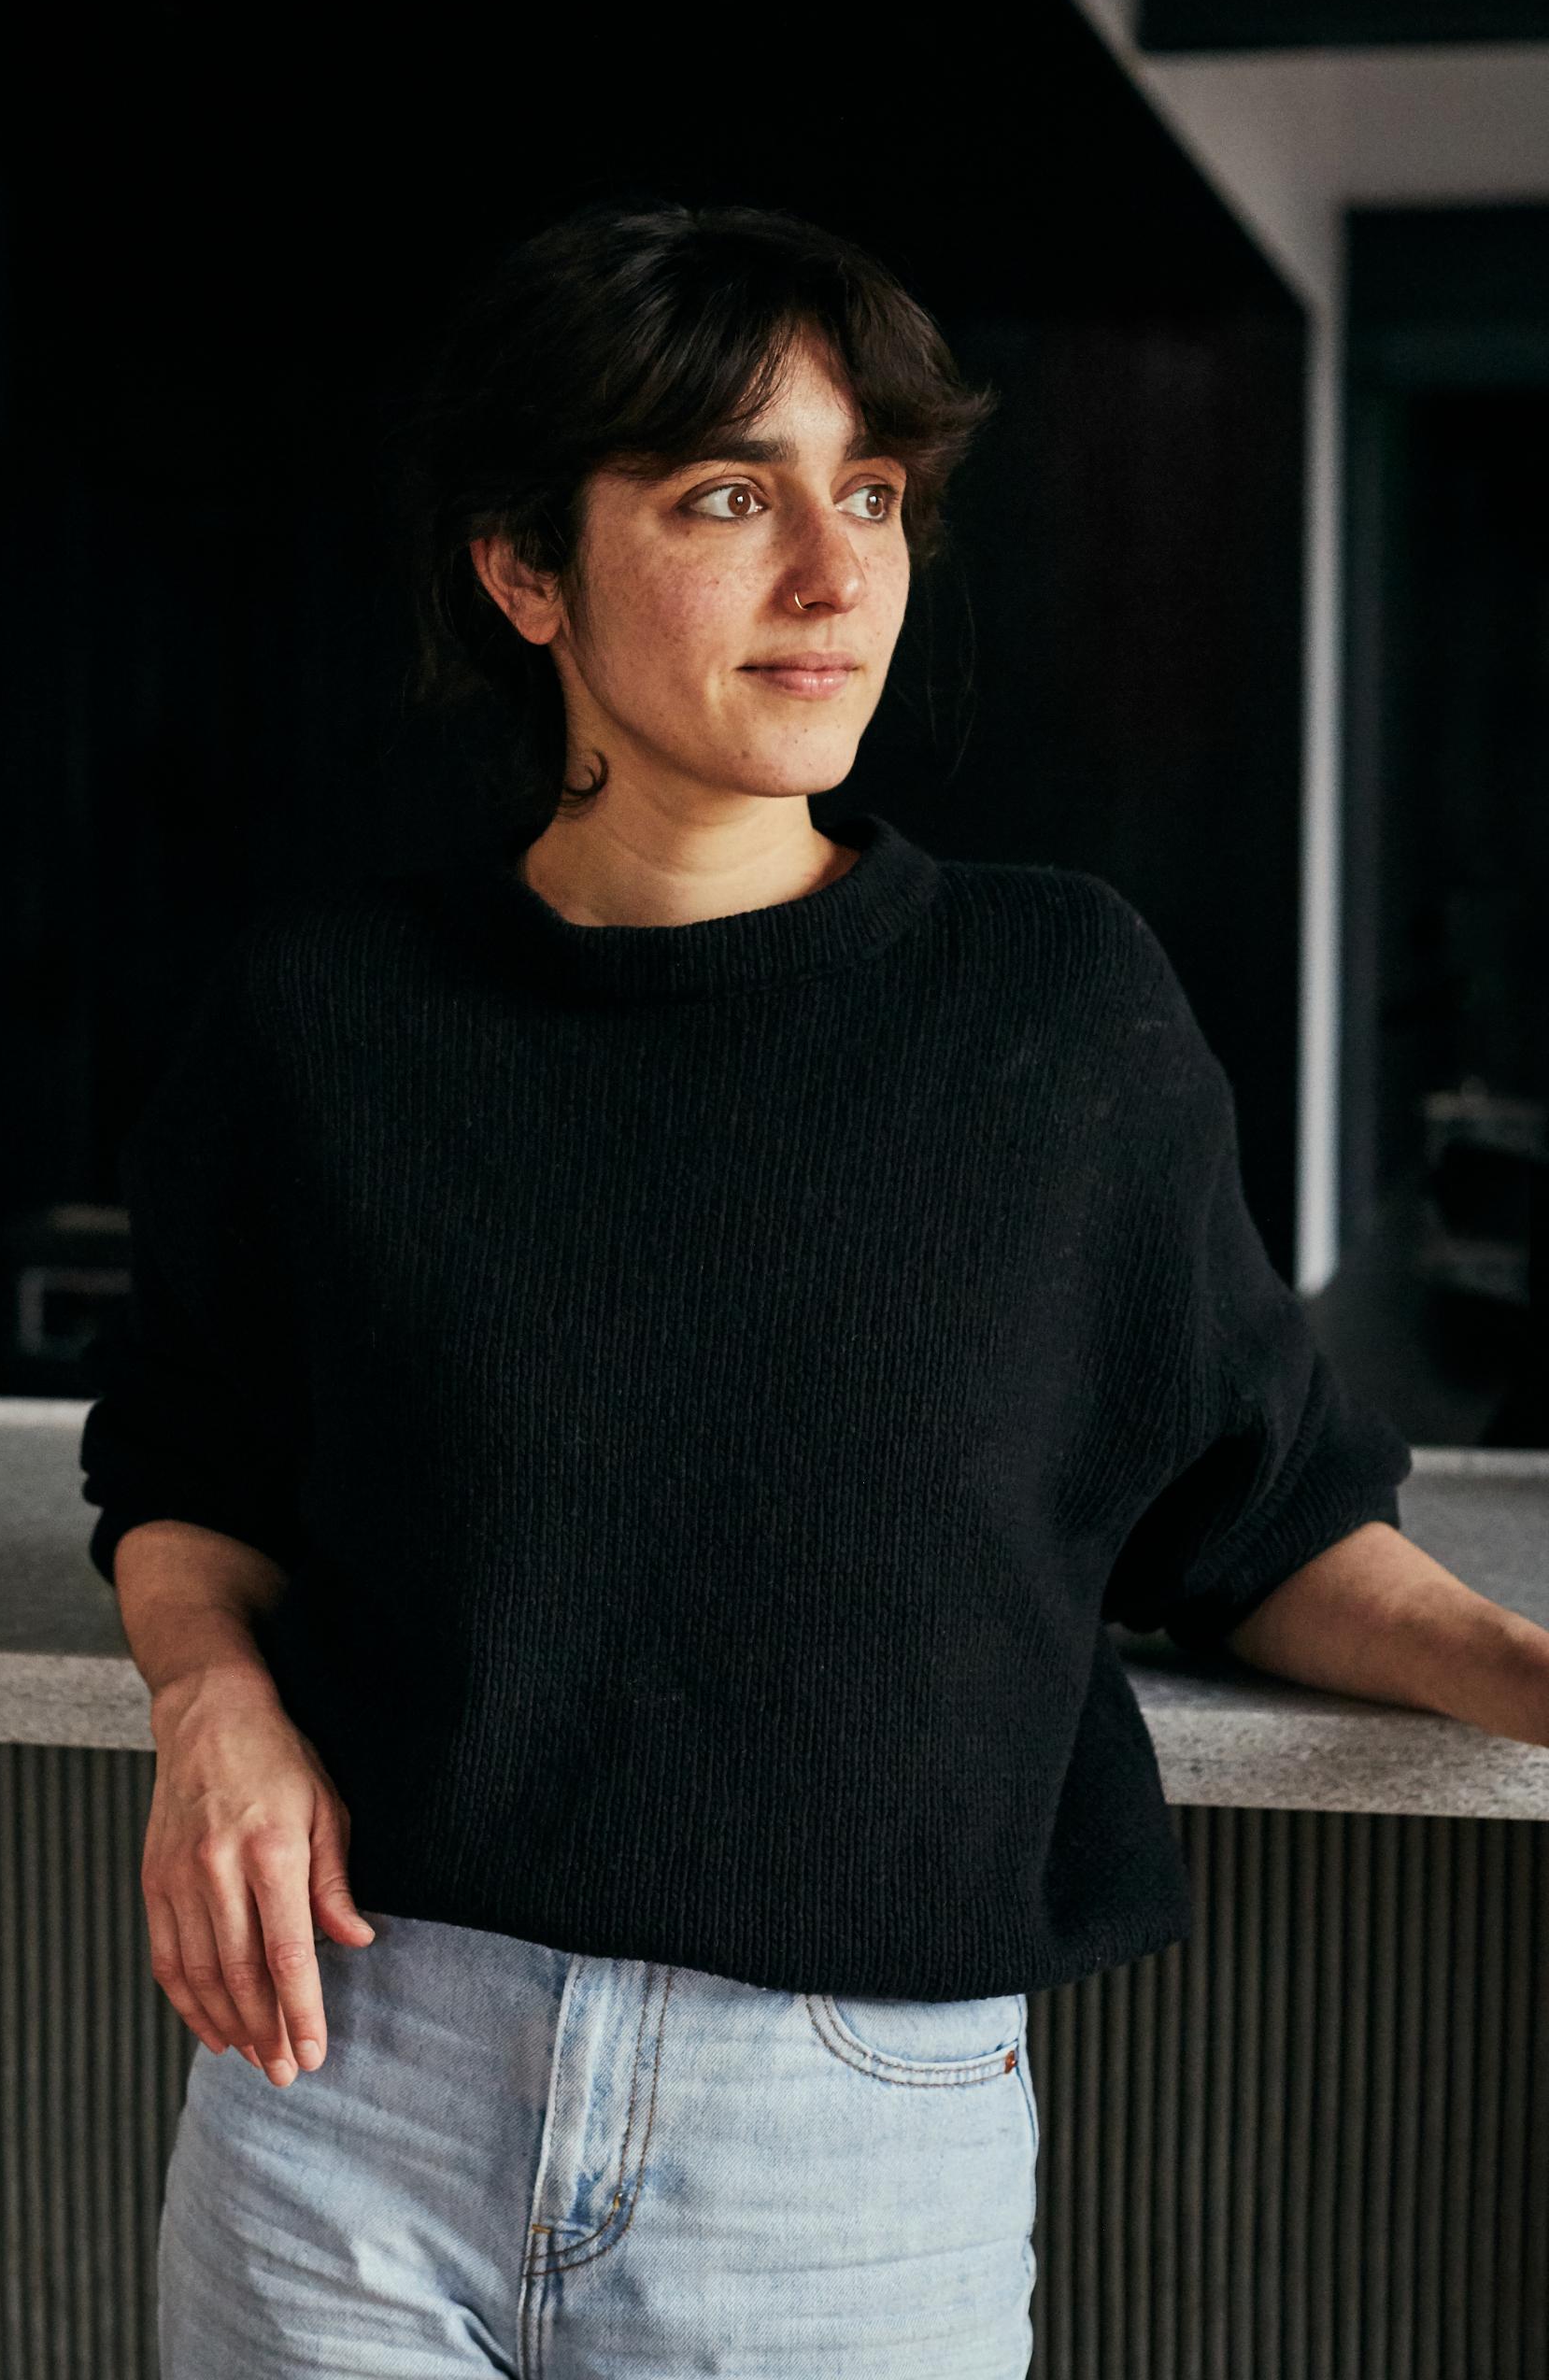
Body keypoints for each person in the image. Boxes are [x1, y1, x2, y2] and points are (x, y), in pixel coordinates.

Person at [78, 196, 1412, 2376]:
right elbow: (188, 1453)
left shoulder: (1056, 1010)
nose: (836, 572)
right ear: (525, 571)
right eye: (728, 493)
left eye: (870, 492)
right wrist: (210, 1699)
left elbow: (1248, 1527)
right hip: (349, 2083)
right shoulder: (329, 1018)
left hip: (838, 2151)